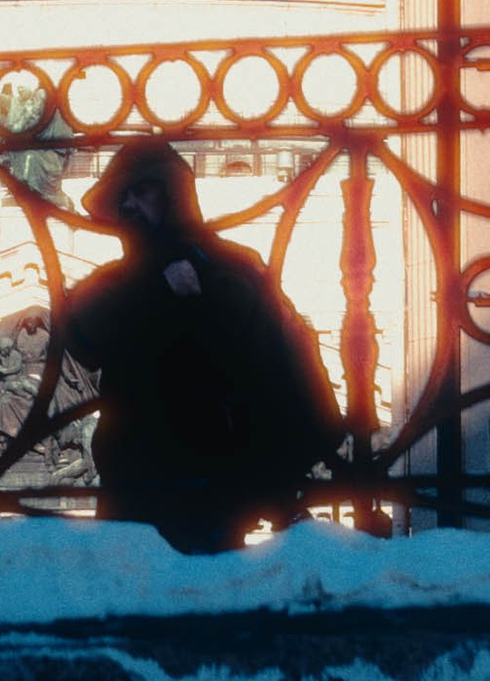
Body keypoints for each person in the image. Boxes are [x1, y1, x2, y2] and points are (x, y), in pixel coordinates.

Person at [58, 137, 344, 552]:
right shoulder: (115, 282)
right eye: (124, 196)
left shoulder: (231, 264)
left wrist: (204, 295)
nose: (131, 205)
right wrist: (156, 289)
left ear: (172, 192)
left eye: (142, 190)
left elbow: (277, 354)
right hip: (135, 472)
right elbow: (82, 337)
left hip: (215, 477)